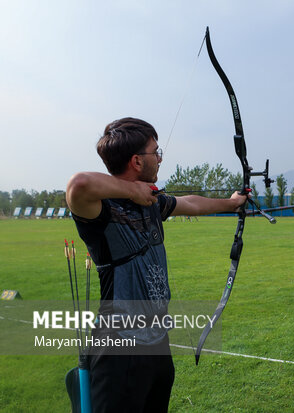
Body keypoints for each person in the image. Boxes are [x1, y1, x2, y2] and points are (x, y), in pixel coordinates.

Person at [66, 117, 247, 412]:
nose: (160, 158)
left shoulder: (153, 202)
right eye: (155, 152)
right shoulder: (102, 210)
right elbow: (79, 184)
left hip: (157, 344)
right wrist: (131, 191)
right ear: (137, 161)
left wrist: (230, 203)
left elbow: (191, 203)